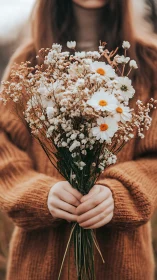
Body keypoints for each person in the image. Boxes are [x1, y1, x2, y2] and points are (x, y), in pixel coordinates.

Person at [0, 0, 157, 279]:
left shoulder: (149, 63)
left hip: (120, 263)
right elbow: (5, 152)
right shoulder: (28, 64)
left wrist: (120, 192)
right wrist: (40, 194)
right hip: (40, 263)